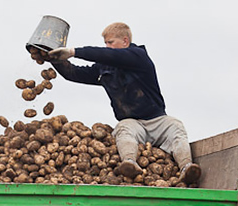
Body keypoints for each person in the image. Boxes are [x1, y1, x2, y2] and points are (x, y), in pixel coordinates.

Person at [48, 22, 201, 185]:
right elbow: (76, 74)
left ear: (125, 41)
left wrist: (73, 52)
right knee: (124, 129)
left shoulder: (138, 56)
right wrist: (54, 59)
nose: (107, 47)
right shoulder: (105, 67)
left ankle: (186, 167)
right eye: (105, 43)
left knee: (175, 126)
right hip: (132, 122)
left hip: (158, 120)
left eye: (111, 43)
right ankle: (130, 163)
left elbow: (109, 56)